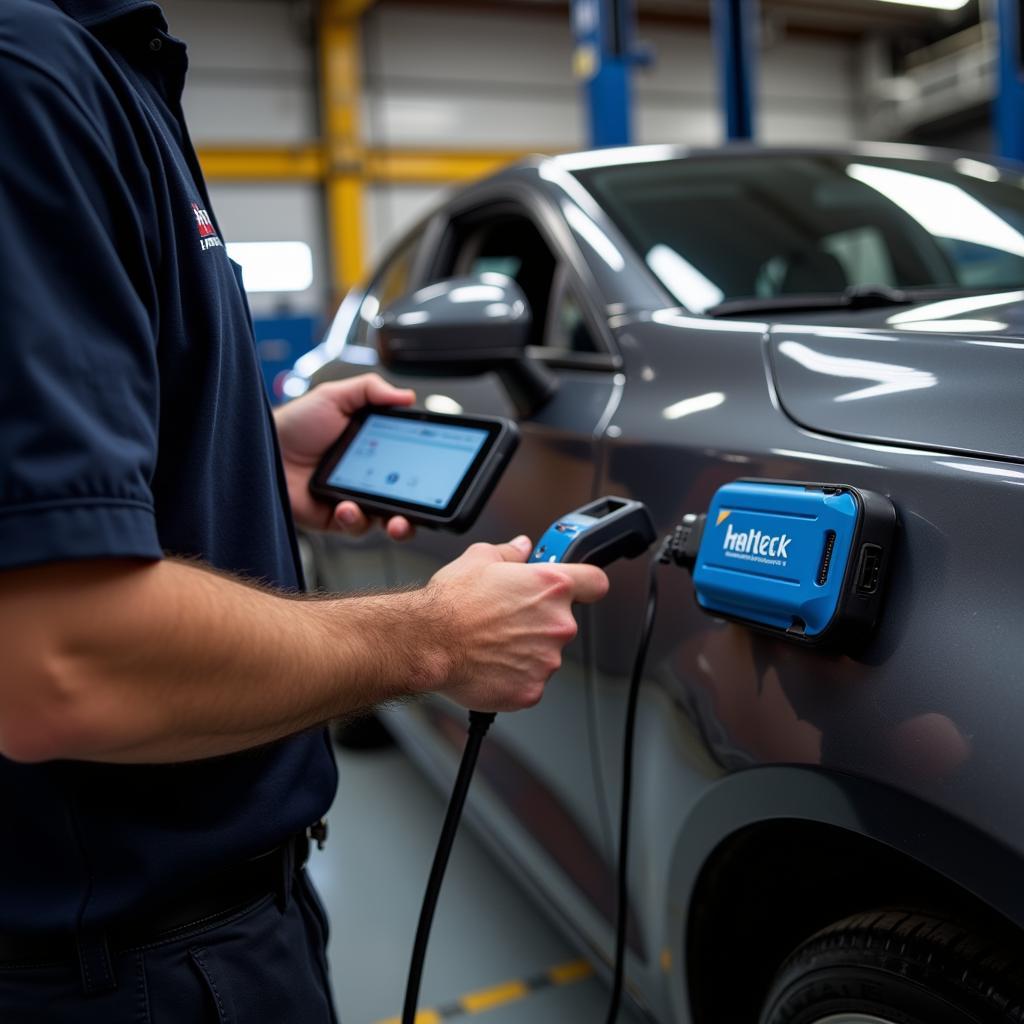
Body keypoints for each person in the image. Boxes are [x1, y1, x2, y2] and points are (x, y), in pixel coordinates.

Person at [0, 2, 610, 1020]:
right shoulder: (29, 72)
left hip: (198, 923)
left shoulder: (116, 70)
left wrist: (247, 450)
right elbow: (61, 660)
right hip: (131, 970)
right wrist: (434, 639)